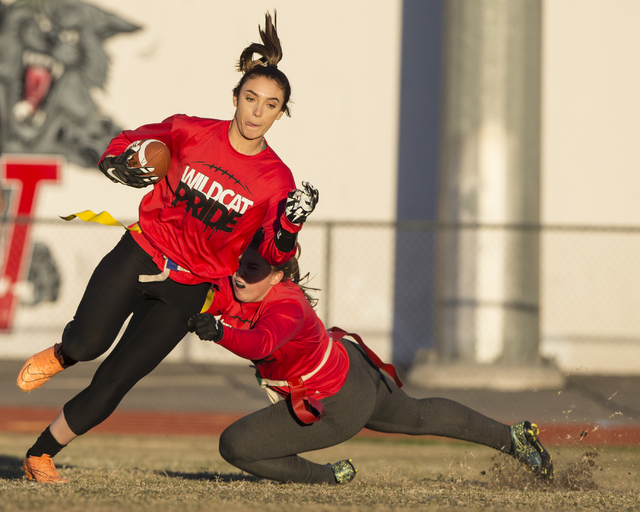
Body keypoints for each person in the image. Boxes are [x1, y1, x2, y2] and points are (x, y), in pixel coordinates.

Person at [16, 11, 319, 484]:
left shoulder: (276, 180)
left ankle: (40, 455)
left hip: (193, 285)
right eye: (251, 98)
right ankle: (65, 352)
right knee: (89, 344)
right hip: (144, 250)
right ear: (235, 98)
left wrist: (289, 227)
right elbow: (123, 144)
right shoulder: (190, 131)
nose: (257, 111)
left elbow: (273, 255)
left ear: (282, 112)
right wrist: (118, 161)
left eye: (271, 104)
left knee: (118, 379)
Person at [186, 243, 555, 485]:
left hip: (336, 400)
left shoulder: (287, 304)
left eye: (253, 268)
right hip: (352, 365)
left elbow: (261, 342)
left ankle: (329, 478)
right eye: (240, 263)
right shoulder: (241, 286)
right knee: (418, 416)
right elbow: (204, 286)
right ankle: (512, 437)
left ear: (279, 276)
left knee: (236, 446)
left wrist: (219, 333)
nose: (239, 273)